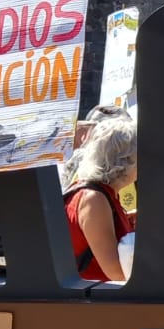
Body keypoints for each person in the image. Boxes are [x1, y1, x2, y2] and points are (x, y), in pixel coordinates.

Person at [64, 116, 137, 282]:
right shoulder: (94, 199)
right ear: (126, 159)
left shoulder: (99, 193)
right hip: (95, 303)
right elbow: (117, 272)